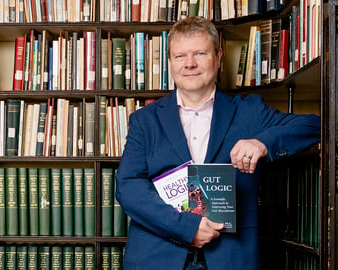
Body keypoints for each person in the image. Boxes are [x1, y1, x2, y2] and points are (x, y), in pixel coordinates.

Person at [115, 16, 320, 270]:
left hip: (231, 257)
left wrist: (263, 142)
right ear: (169, 62)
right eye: (180, 56)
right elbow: (127, 187)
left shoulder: (249, 112)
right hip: (157, 257)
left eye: (200, 53)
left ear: (218, 56)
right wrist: (187, 228)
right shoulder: (145, 121)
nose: (189, 64)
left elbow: (315, 125)